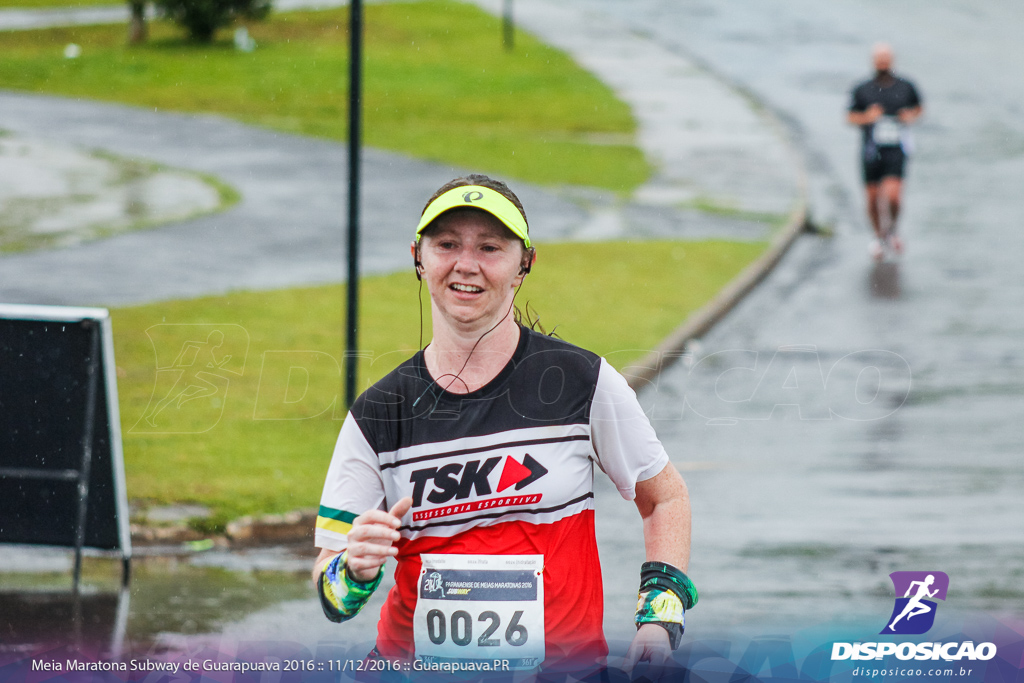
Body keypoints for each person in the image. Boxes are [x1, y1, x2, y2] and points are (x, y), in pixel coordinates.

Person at [311, 174, 695, 674]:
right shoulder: (380, 411)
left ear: (524, 265)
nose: (465, 264)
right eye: (446, 244)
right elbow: (332, 595)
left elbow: (665, 498)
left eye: (490, 247)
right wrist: (354, 568)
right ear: (418, 257)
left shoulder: (582, 382)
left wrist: (658, 619)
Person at [847, 43, 923, 260]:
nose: (882, 62)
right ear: (873, 61)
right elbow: (850, 117)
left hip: (896, 150)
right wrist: (867, 118)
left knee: (893, 197)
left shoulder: (905, 86)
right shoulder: (863, 89)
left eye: (886, 58)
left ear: (892, 60)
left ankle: (892, 231)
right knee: (872, 198)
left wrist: (911, 116)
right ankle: (878, 236)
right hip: (871, 150)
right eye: (879, 58)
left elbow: (919, 108)